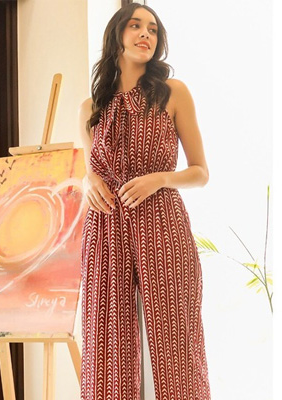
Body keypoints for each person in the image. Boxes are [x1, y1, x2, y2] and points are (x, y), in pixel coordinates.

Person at [78, 3, 212, 400]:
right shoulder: (90, 108)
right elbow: (91, 171)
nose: (145, 35)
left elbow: (201, 171)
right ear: (116, 36)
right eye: (135, 26)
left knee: (175, 340)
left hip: (163, 225)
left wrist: (160, 179)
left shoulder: (173, 93)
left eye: (152, 29)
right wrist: (87, 181)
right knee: (107, 341)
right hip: (105, 229)